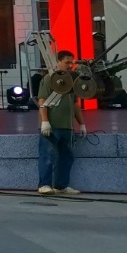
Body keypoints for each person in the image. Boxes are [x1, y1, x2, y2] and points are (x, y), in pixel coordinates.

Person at [38, 50, 88, 195]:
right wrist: (45, 121)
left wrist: (82, 124)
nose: (70, 65)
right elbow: (42, 101)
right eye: (67, 62)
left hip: (67, 126)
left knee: (67, 157)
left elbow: (75, 104)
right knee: (47, 156)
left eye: (71, 62)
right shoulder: (49, 79)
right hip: (52, 126)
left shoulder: (72, 81)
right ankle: (44, 185)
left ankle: (61, 186)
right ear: (58, 62)